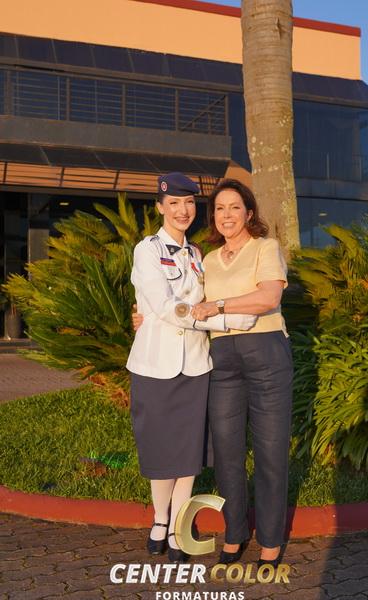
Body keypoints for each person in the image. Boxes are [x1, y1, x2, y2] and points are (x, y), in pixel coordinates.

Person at [126, 172, 255, 563]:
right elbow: (167, 307)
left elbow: (210, 297)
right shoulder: (147, 250)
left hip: (196, 365)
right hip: (155, 364)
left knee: (187, 454)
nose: (182, 210)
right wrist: (226, 322)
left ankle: (177, 527)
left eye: (188, 203)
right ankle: (159, 519)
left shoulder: (198, 255)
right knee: (160, 449)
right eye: (174, 203)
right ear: (160, 207)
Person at [191, 178, 293, 568]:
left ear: (249, 213)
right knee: (227, 451)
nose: (227, 215)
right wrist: (145, 316)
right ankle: (234, 533)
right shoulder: (208, 260)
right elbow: (189, 304)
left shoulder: (265, 248)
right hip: (222, 357)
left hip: (266, 353)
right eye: (220, 208)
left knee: (270, 450)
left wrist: (217, 305)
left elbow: (268, 297)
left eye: (235, 207)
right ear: (213, 217)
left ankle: (270, 540)